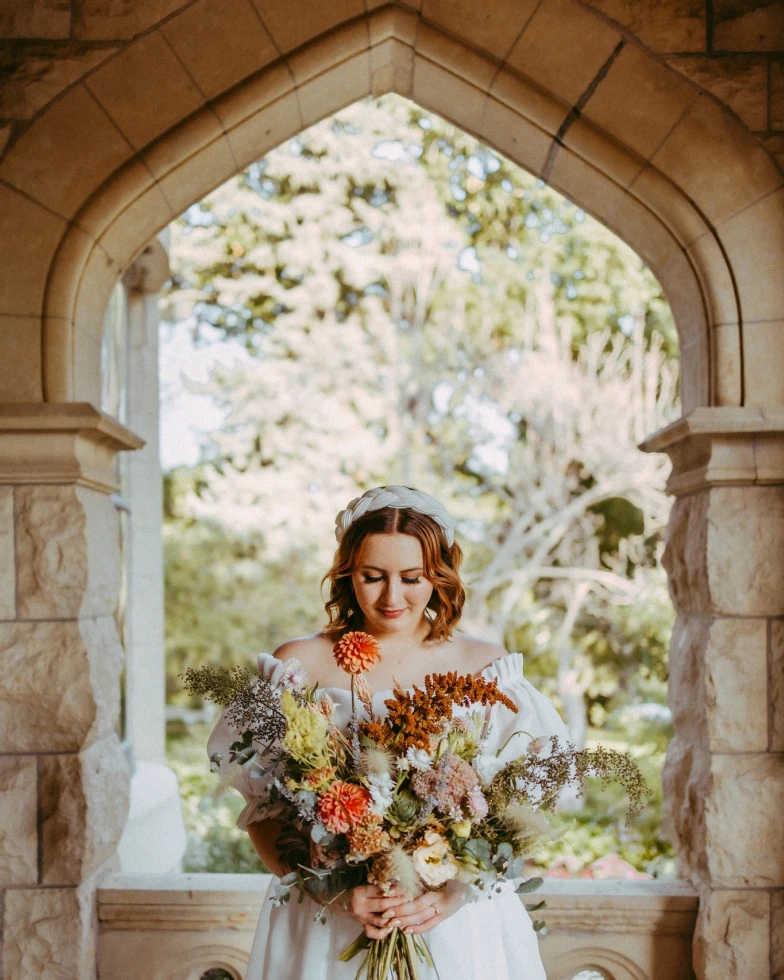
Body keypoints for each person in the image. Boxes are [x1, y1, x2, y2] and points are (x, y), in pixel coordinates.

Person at [207, 485, 570, 979]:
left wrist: (453, 895)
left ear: (439, 574)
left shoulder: (486, 669)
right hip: (329, 927)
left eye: (412, 578)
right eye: (372, 577)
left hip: (453, 930)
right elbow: (261, 811)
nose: (392, 597)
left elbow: (521, 808)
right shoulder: (296, 666)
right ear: (346, 574)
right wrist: (331, 892)